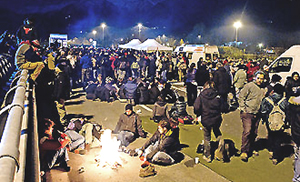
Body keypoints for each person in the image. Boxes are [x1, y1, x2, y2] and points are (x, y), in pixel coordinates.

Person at [238, 71, 266, 162]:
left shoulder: (263, 88)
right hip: (247, 112)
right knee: (247, 131)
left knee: (254, 132)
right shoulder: (249, 86)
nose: (260, 80)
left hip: (257, 113)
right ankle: (244, 151)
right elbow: (241, 96)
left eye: (261, 78)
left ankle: (251, 147)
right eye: (258, 78)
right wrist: (243, 108)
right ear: (254, 77)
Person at [194, 81, 225, 162]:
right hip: (216, 118)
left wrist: (198, 114)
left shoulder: (202, 95)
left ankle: (207, 155)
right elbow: (224, 107)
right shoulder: (217, 95)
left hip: (206, 118)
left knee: (207, 137)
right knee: (217, 132)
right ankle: (221, 149)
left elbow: (196, 107)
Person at [260, 84, 288, 165]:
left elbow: (263, 111)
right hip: (280, 122)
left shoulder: (267, 99)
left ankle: (271, 150)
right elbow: (287, 112)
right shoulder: (284, 100)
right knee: (278, 139)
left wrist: (264, 119)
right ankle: (276, 157)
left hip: (270, 121)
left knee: (271, 135)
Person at [287, 95, 300, 182]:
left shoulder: (293, 104)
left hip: (295, 132)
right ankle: (297, 177)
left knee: (297, 153)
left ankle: (296, 174)